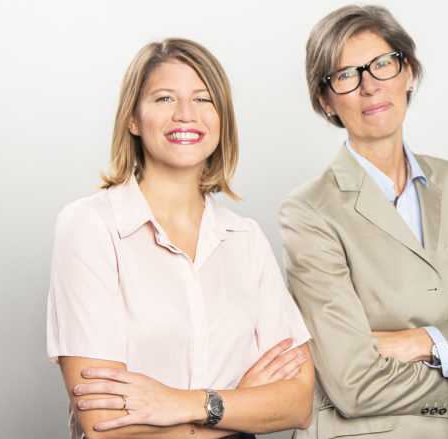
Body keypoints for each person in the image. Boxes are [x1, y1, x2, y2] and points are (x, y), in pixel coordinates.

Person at [46, 38, 314, 438]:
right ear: (133, 119)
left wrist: (182, 404)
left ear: (222, 120)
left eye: (204, 99)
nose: (186, 115)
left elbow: (296, 404)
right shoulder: (89, 226)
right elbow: (105, 426)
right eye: (165, 98)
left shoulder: (246, 239)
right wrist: (235, 404)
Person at [278, 5, 448, 438]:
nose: (370, 86)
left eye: (383, 64)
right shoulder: (308, 212)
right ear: (325, 99)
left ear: (408, 72)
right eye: (346, 75)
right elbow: (354, 383)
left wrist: (421, 342)